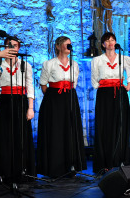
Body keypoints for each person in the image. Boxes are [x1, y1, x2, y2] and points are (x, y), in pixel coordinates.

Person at [37, 36, 87, 177]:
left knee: (70, 129)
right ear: (58, 46)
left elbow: (74, 83)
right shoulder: (49, 63)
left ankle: (71, 165)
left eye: (70, 45)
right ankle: (55, 167)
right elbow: (43, 84)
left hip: (70, 97)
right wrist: (54, 97)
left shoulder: (74, 64)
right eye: (66, 45)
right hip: (54, 98)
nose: (69, 47)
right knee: (56, 130)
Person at [0, 36, 35, 182]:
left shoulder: (25, 64)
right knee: (5, 136)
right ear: (4, 48)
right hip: (5, 102)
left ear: (19, 48)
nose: (13, 48)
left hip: (20, 101)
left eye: (15, 46)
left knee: (20, 136)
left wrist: (30, 108)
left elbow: (30, 86)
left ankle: (22, 169)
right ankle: (4, 171)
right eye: (9, 45)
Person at [91, 32, 130, 173]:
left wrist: (128, 86)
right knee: (105, 126)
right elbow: (94, 80)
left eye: (112, 40)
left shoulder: (124, 58)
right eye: (107, 40)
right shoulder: (97, 60)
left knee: (120, 125)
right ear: (103, 44)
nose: (110, 42)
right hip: (104, 94)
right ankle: (104, 162)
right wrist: (103, 87)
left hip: (119, 92)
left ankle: (120, 159)